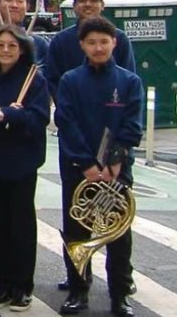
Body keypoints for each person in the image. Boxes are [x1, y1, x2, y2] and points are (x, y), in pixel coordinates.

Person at [55, 17, 142, 317]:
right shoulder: (69, 80)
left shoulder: (130, 81)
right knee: (77, 229)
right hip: (79, 170)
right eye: (91, 42)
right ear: (82, 45)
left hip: (117, 171)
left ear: (114, 43)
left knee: (118, 234)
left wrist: (114, 162)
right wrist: (86, 164)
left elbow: (132, 126)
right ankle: (79, 290)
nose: (98, 47)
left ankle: (120, 294)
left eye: (104, 42)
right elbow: (67, 123)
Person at [0, 25, 49, 312]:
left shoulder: (35, 80)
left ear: (22, 49)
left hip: (22, 163)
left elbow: (38, 119)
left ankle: (22, 286)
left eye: (12, 46)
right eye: (0, 45)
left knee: (21, 227)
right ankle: (4, 283)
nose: (5, 50)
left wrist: (12, 117)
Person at [46, 0, 136, 97]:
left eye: (94, 0)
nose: (88, 4)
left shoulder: (119, 38)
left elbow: (128, 78)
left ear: (102, 5)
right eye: (82, 0)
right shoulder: (60, 41)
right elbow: (52, 81)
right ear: (74, 6)